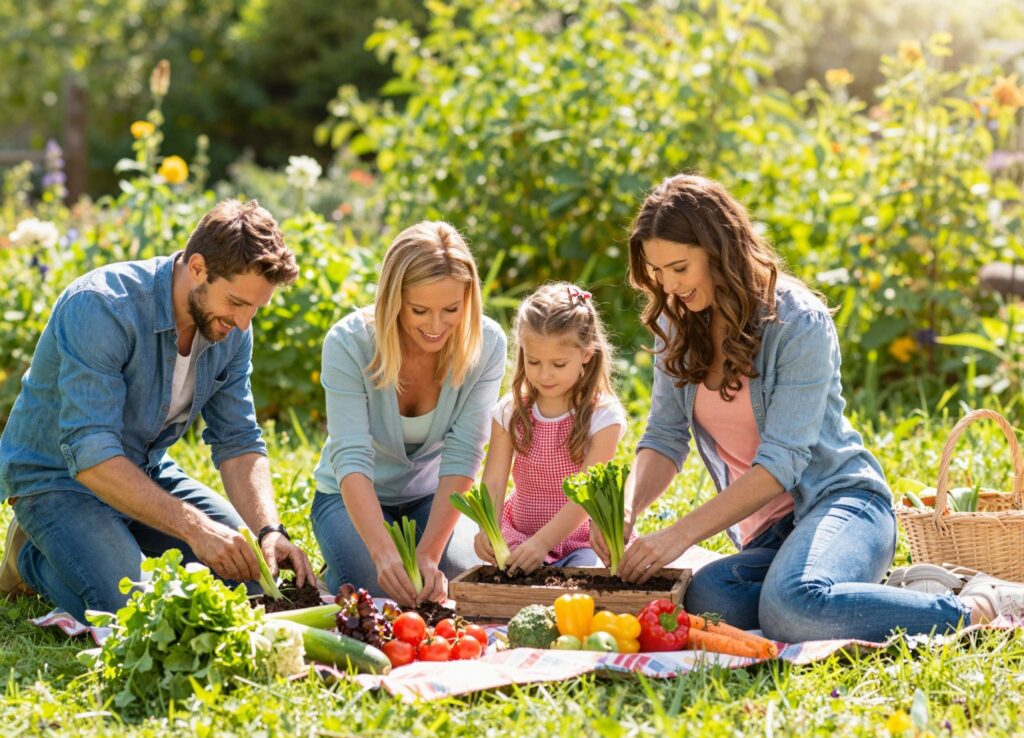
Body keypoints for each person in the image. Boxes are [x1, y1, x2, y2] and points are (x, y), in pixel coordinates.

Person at [602, 173, 1024, 643]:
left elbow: (780, 464)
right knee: (707, 599)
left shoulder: (797, 320)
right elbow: (664, 437)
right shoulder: (677, 322)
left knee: (792, 610)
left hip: (843, 504)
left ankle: (982, 605)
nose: (669, 285)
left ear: (718, 250)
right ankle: (878, 594)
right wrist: (627, 507)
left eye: (679, 268)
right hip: (771, 533)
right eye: (657, 272)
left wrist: (679, 534)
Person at [0, 199, 315, 622]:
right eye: (237, 303)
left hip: (144, 470)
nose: (243, 323)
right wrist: (196, 529)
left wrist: (268, 531)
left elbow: (238, 441)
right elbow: (91, 455)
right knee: (137, 611)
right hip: (58, 479)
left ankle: (109, 540)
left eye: (255, 309)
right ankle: (31, 558)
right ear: (198, 267)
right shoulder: (102, 306)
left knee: (251, 579)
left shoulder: (232, 328)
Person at [311, 221, 505, 606]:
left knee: (460, 581)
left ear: (468, 299)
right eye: (419, 310)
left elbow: (465, 453)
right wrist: (383, 553)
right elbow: (351, 457)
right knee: (382, 587)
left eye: (451, 309)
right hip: (349, 498)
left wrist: (429, 554)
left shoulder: (487, 344)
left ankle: (399, 559)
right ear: (394, 299)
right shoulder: (349, 343)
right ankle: (337, 573)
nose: (436, 326)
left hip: (429, 498)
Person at [474, 282, 627, 573]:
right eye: (534, 361)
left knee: (585, 582)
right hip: (520, 537)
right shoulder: (510, 411)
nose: (544, 375)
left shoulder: (602, 417)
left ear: (586, 354)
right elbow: (493, 482)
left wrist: (543, 543)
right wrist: (487, 529)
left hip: (580, 542)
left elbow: (585, 496)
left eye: (558, 364)